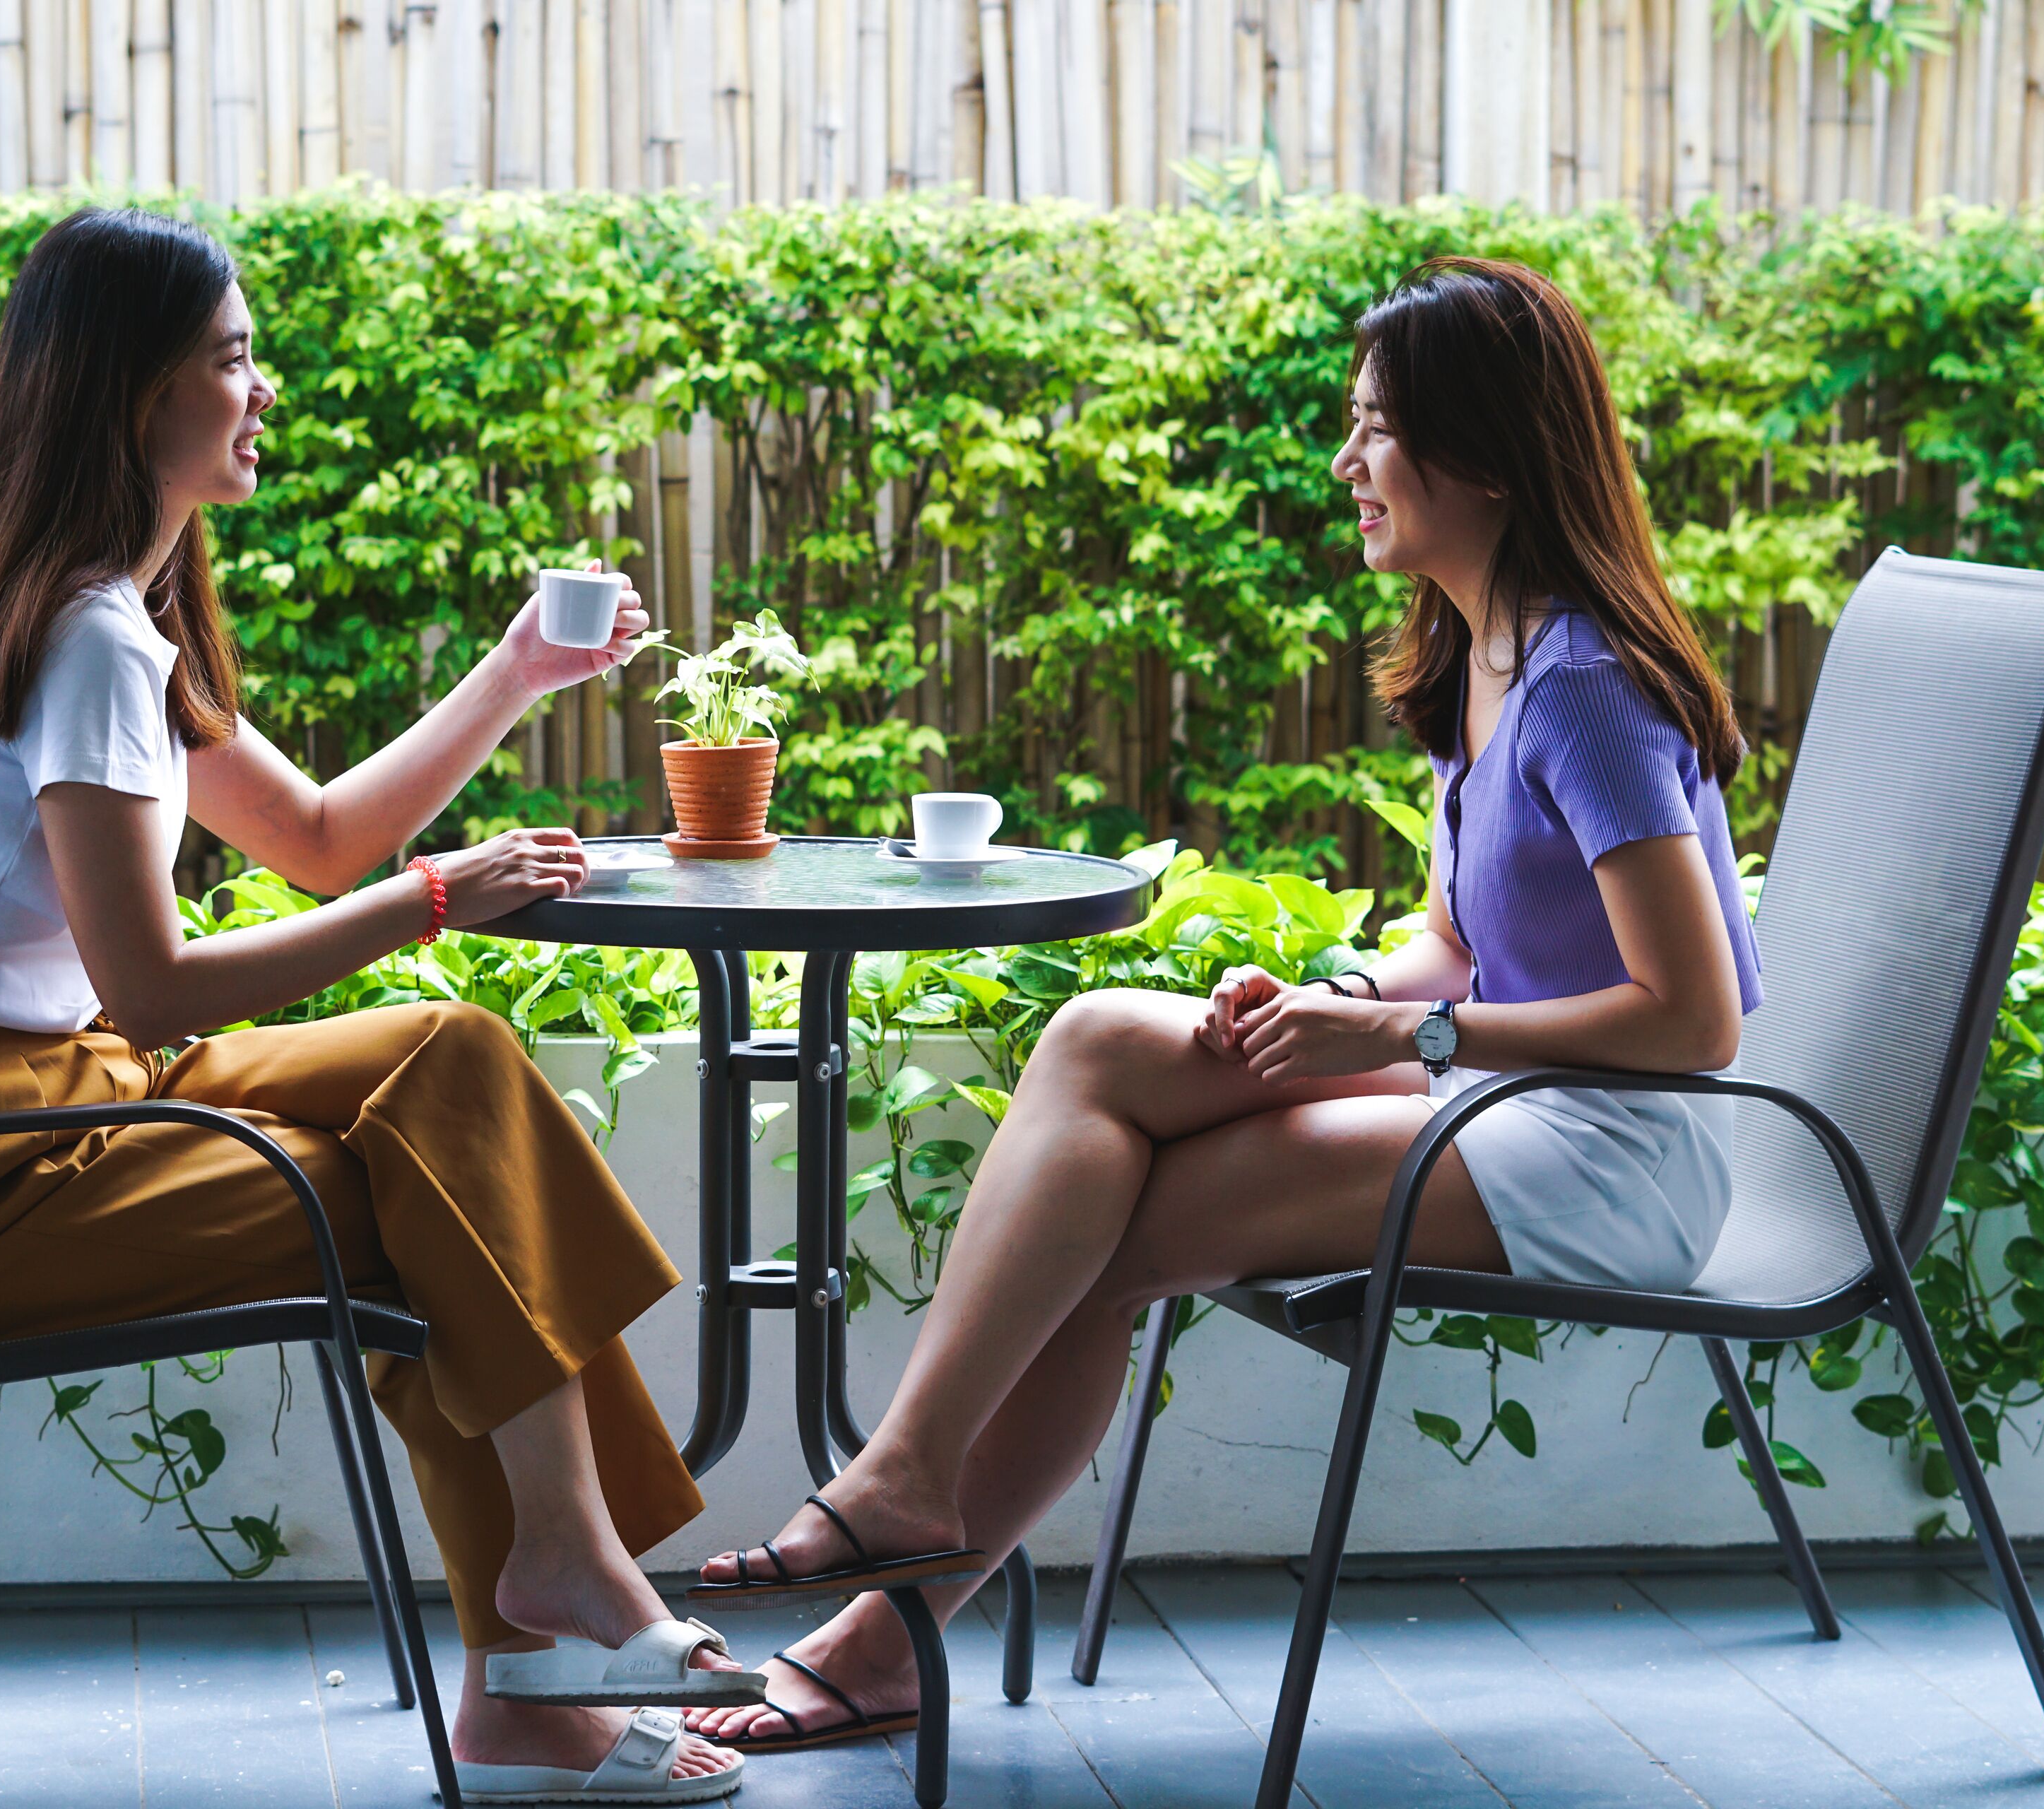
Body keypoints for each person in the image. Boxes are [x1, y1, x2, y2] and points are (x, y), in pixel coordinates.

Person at [682, 256, 1762, 1755]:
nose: (1346, 461)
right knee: (1102, 1040)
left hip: (1617, 1152)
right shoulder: (1484, 660)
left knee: (1119, 1224)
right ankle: (903, 1500)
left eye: (1377, 427)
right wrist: (1347, 994)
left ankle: (889, 1596)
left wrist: (1397, 1037)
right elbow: (1466, 937)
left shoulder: (1586, 685)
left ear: (1488, 455)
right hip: (1497, 1098)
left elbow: (1691, 1020)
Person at [0, 207, 750, 1804]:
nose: (264, 389)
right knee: (424, 1194)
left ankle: (556, 1600)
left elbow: (319, 841)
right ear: (130, 396)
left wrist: (520, 671)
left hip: (2, 1115)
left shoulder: (88, 615)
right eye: (233, 357)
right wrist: (442, 895)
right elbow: (157, 985)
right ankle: (546, 1643)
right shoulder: (90, 637)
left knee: (446, 1064)